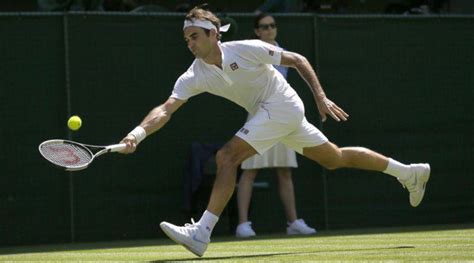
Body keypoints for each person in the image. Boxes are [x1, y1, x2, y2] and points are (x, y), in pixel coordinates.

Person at [119, 5, 431, 257]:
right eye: (186, 39)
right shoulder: (194, 75)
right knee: (334, 158)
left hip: (282, 104)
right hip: (271, 114)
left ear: (214, 35)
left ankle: (201, 233)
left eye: (195, 36)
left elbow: (298, 60)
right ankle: (409, 173)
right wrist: (138, 133)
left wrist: (320, 97)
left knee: (227, 157)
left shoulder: (248, 48)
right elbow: (165, 109)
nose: (190, 43)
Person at [235, 13, 315, 238]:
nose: (270, 29)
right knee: (249, 171)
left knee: (285, 171)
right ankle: (243, 224)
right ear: (257, 31)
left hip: (281, 116)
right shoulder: (251, 50)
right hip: (257, 116)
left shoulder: (283, 53)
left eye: (272, 26)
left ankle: (293, 222)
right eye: (264, 26)